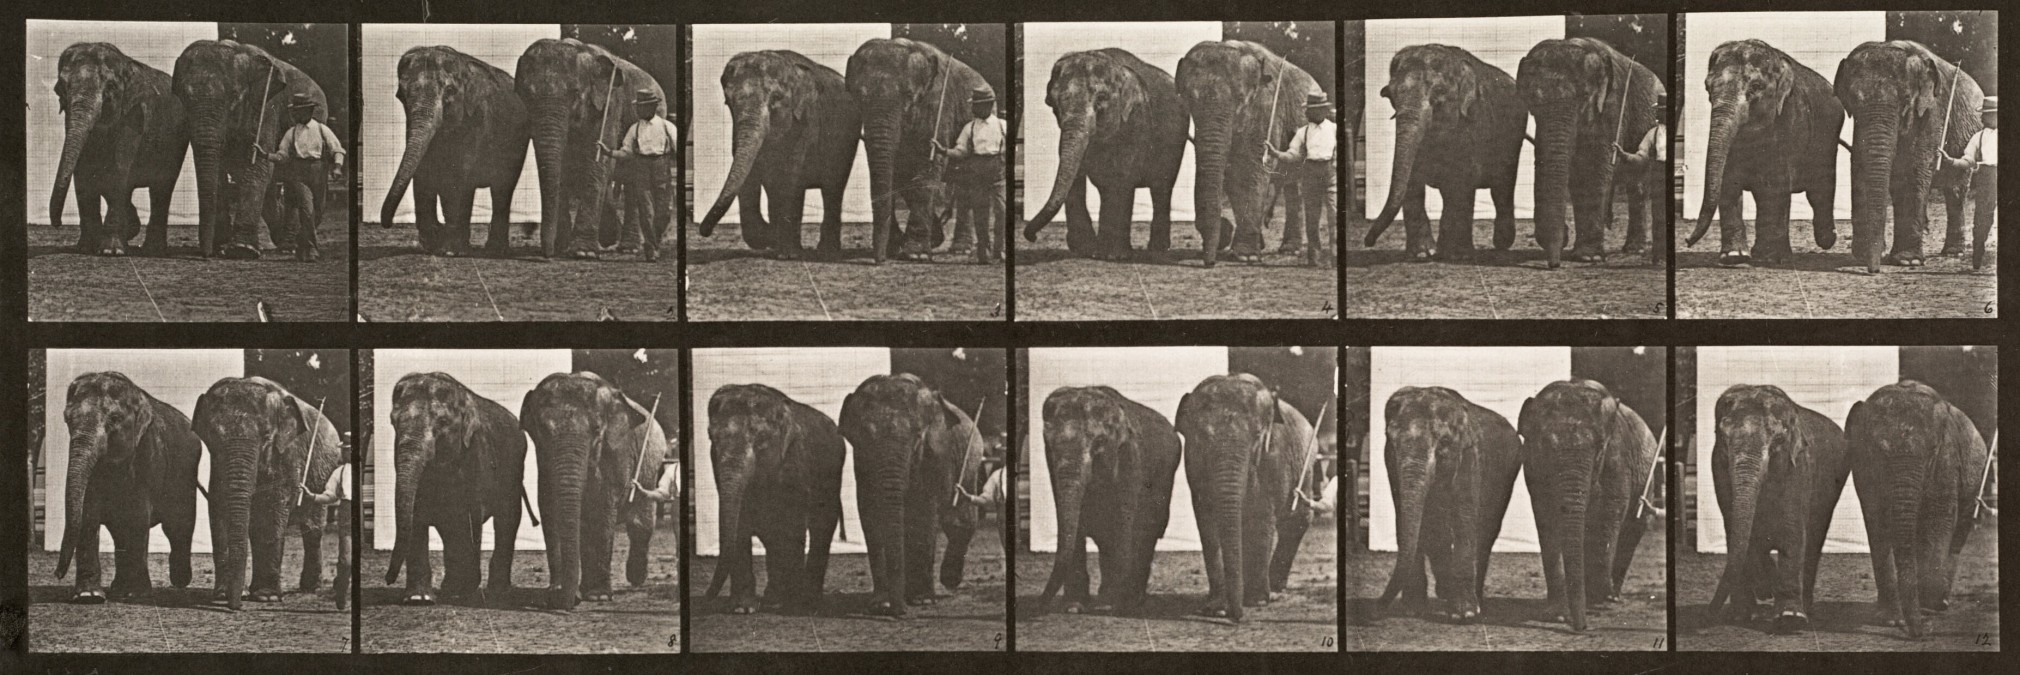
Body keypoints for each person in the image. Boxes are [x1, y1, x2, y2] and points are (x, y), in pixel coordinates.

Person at [253, 92, 344, 262]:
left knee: (317, 212)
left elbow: (337, 149)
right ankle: (312, 249)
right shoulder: (291, 133)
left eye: (299, 111)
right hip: (298, 172)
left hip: (318, 171)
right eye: (295, 112)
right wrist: (265, 155)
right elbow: (283, 155)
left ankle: (302, 244)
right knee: (306, 208)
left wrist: (337, 167)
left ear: (309, 111)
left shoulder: (322, 129)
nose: (296, 115)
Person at [598, 89, 678, 262]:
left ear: (653, 107)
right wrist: (609, 152)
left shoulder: (667, 127)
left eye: (644, 107)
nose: (639, 111)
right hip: (641, 169)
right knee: (646, 211)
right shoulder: (634, 129)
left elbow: (677, 150)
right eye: (638, 107)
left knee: (665, 212)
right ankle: (651, 248)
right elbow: (626, 152)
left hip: (661, 167)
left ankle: (653, 239)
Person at [1264, 91, 1339, 267]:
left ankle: (1336, 256)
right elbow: (1293, 155)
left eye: (1314, 110)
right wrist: (1276, 153)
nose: (1310, 114)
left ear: (1323, 110)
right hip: (1310, 175)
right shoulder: (1303, 132)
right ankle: (1314, 257)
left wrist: (1336, 163)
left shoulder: (1334, 129)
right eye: (1309, 110)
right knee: (1312, 218)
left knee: (1334, 216)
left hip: (1330, 174)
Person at [933, 87, 1007, 264]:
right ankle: (983, 249)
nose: (975, 109)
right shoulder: (970, 128)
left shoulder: (1002, 125)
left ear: (989, 105)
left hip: (998, 172)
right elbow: (961, 151)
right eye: (975, 105)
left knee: (1002, 211)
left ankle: (1000, 248)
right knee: (980, 213)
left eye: (979, 105)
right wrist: (944, 151)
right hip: (977, 173)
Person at [1943, 96, 1997, 266]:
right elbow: (1968, 161)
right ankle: (1977, 256)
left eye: (1988, 115)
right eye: (1984, 115)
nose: (1983, 118)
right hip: (1986, 177)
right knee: (1982, 218)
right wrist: (1950, 160)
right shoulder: (1978, 137)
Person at [300, 451, 352, 610]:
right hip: (347, 513)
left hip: (367, 512)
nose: (346, 453)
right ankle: (341, 591)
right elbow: (330, 496)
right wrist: (312, 497)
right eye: (346, 449)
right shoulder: (341, 471)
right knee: (346, 560)